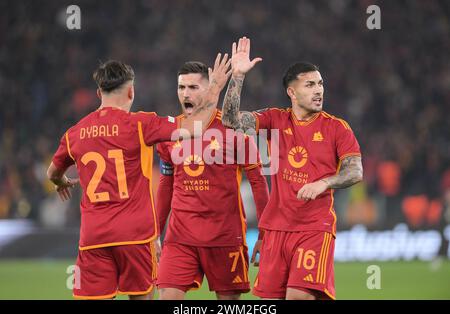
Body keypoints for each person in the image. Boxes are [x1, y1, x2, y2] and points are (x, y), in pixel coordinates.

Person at [46, 56, 231, 300]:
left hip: (93, 238)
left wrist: (60, 183)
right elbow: (195, 128)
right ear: (131, 92)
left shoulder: (75, 133)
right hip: (135, 236)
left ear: (99, 93)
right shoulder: (141, 124)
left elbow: (53, 172)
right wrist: (215, 89)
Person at [221, 37, 363, 300]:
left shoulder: (336, 128)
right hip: (276, 229)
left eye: (320, 84)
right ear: (292, 92)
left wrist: (324, 183)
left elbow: (355, 171)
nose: (318, 90)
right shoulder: (275, 119)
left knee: (299, 296)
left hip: (314, 228)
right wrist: (238, 76)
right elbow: (230, 120)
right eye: (310, 85)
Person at [156, 61, 270, 300]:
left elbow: (259, 183)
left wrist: (263, 235)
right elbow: (166, 185)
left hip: (225, 237)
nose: (185, 93)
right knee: (167, 296)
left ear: (210, 90)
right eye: (181, 87)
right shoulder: (170, 132)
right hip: (180, 237)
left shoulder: (234, 131)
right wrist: (155, 232)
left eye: (193, 87)